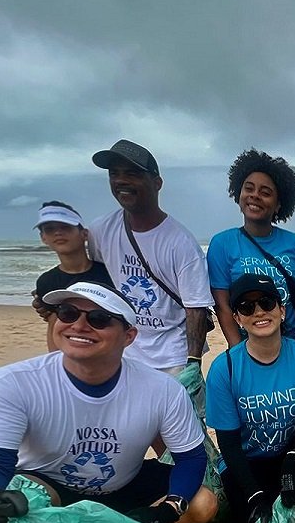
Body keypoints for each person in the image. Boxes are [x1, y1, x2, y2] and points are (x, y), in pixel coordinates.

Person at [0, 282, 216, 523]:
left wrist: (166, 511)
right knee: (12, 502)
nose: (79, 325)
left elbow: (191, 459)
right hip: (52, 487)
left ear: (129, 336)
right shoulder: (12, 383)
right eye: (67, 313)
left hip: (125, 485)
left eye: (99, 319)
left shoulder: (162, 389)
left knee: (202, 504)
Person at [204, 274, 295, 523]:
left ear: (282, 310)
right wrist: (254, 494)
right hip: (250, 460)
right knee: (246, 518)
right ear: (238, 319)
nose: (259, 312)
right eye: (247, 307)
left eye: (267, 303)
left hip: (292, 451)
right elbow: (229, 444)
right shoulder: (224, 369)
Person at [88, 139, 213, 374]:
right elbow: (96, 284)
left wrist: (192, 364)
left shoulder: (181, 243)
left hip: (172, 358)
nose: (121, 181)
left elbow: (195, 308)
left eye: (133, 174)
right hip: (122, 351)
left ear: (157, 183)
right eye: (114, 174)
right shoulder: (100, 231)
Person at [206, 149, 295, 346]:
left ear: (278, 204)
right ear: (239, 193)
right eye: (249, 188)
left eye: (265, 193)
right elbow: (223, 306)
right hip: (250, 348)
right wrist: (239, 354)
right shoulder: (222, 244)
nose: (255, 196)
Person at [31, 201, 113, 351]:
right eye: (50, 229)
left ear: (84, 234)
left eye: (65, 227)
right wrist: (55, 362)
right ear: (43, 238)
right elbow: (54, 326)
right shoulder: (47, 281)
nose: (58, 233)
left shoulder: (111, 273)